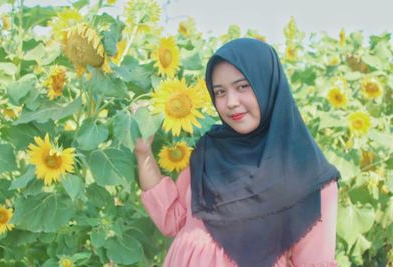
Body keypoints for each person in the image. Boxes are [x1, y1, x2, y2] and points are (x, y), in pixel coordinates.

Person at [134, 38, 340, 267]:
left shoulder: (310, 180)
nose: (230, 102)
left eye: (242, 86)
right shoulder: (209, 151)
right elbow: (172, 220)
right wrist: (144, 153)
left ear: (267, 85)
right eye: (220, 92)